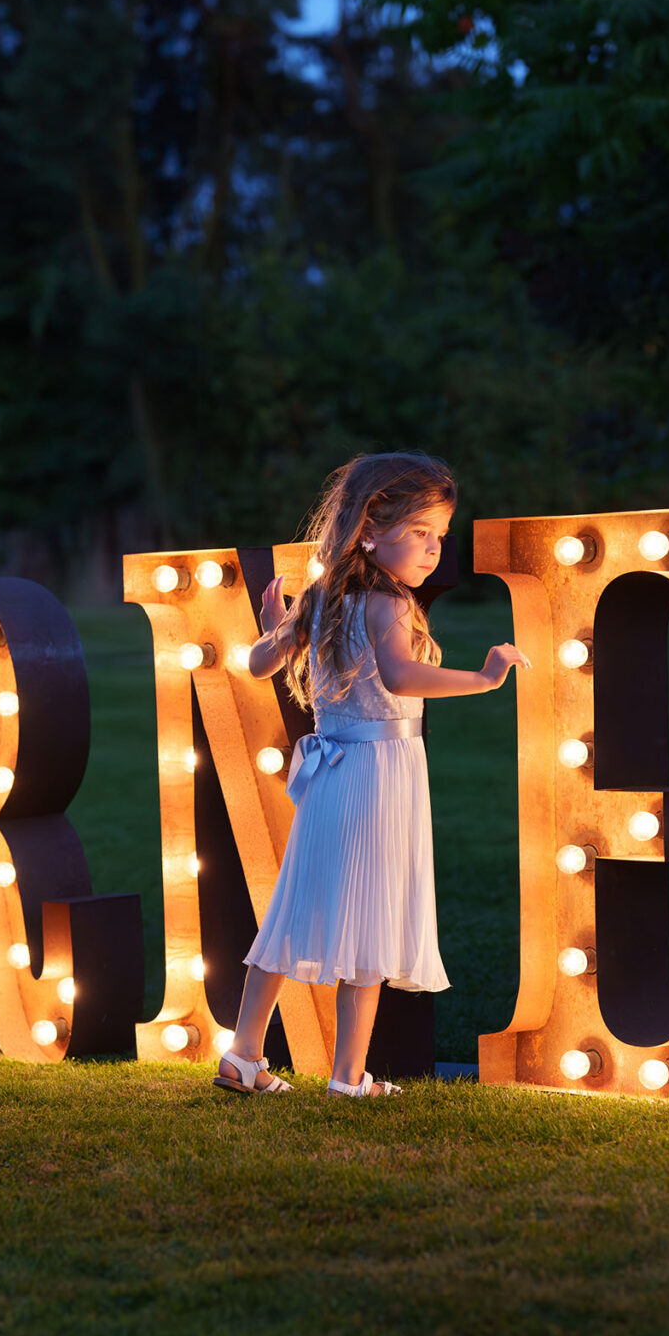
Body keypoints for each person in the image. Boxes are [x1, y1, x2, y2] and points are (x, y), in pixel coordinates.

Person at [215, 452, 527, 1097]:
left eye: (440, 535)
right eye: (419, 532)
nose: (434, 548)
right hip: (379, 775)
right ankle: (349, 1076)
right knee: (373, 916)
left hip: (333, 772)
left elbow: (257, 663)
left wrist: (279, 627)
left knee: (296, 907)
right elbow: (400, 677)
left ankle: (244, 1055)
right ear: (368, 528)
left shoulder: (323, 599)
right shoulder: (389, 604)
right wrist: (483, 677)